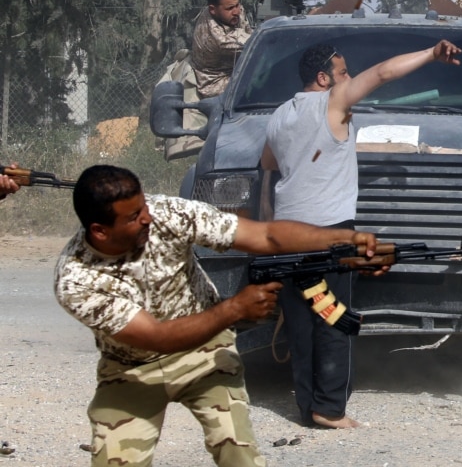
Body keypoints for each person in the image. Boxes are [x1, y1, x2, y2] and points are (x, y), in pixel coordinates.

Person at [53, 164, 379, 467]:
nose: (147, 218)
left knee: (238, 451)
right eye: (134, 216)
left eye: (144, 206)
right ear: (99, 231)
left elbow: (266, 236)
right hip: (132, 369)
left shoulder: (168, 214)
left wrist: (343, 240)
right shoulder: (76, 279)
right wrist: (235, 308)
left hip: (206, 352)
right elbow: (157, 337)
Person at [260, 39, 462, 430]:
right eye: (343, 73)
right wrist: (430, 54)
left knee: (301, 323)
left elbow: (268, 166)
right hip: (328, 236)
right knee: (333, 318)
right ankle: (331, 409)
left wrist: (269, 219)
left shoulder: (280, 116)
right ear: (323, 78)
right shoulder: (330, 104)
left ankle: (308, 408)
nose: (349, 79)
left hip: (286, 235)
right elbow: (384, 72)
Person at [191, 0, 254, 99]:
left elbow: (248, 31)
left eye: (237, 5)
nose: (237, 12)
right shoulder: (218, 38)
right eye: (230, 8)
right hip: (217, 84)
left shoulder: (229, 13)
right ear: (212, 10)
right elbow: (257, 45)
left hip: (236, 69)